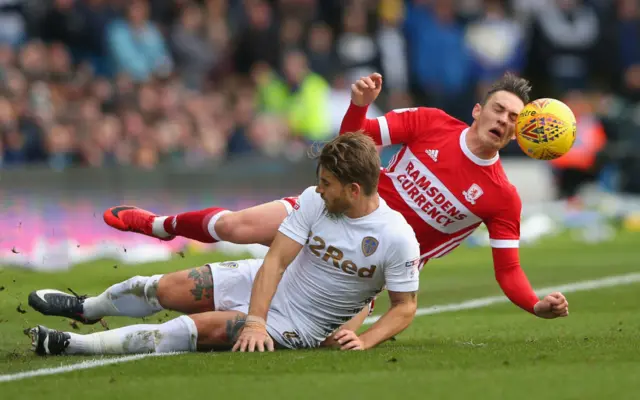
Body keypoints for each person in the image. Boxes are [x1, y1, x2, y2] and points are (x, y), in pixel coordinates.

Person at [104, 72, 569, 321]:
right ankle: (158, 225)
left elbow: (508, 272)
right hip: (334, 209)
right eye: (498, 109)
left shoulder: (502, 197)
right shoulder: (430, 123)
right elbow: (352, 142)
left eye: (514, 118)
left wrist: (535, 304)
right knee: (233, 227)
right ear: (478, 109)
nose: (504, 120)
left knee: (328, 340)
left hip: (370, 265)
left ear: (520, 134)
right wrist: (359, 104)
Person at [27, 133, 421, 355]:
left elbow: (405, 307)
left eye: (327, 184)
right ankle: (87, 307)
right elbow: (275, 262)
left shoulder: (396, 236)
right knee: (162, 287)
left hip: (297, 325)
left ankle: (72, 345)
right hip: (263, 283)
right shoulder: (316, 201)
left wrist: (366, 339)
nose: (319, 188)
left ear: (353, 190)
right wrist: (255, 318)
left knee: (193, 330)